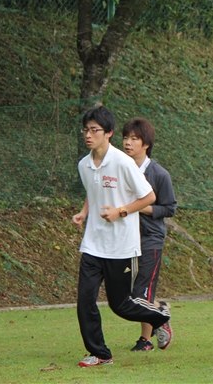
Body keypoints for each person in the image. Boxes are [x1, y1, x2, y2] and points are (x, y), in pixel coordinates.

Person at [71, 106, 172, 368]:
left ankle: (161, 315)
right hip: (92, 245)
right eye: (85, 130)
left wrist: (121, 211)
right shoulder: (83, 164)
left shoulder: (123, 163)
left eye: (94, 130)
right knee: (85, 301)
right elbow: (93, 192)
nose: (88, 135)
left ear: (109, 133)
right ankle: (100, 354)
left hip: (121, 247)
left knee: (120, 305)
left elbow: (149, 196)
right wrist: (83, 212)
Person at [122, 118, 178, 352]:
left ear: (146, 144)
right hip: (123, 239)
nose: (128, 143)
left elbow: (170, 208)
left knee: (142, 292)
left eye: (134, 138)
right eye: (126, 138)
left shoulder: (159, 174)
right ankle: (160, 310)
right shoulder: (120, 169)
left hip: (150, 239)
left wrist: (139, 207)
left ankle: (145, 340)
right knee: (124, 293)